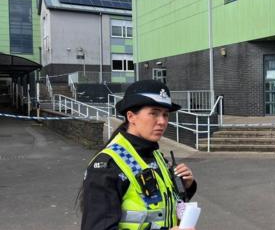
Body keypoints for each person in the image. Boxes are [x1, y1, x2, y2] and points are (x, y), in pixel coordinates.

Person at [81, 80, 197, 230]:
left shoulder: (155, 154)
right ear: (131, 117)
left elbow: (158, 204)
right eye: (154, 113)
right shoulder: (107, 166)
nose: (162, 121)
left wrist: (187, 186)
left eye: (165, 114)